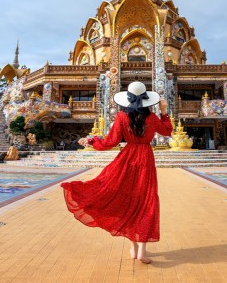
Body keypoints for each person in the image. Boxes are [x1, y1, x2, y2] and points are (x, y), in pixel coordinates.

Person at [61, 81, 173, 264]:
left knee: (127, 200)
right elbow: (167, 131)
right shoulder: (152, 117)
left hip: (127, 159)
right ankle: (142, 251)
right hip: (145, 158)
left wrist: (91, 142)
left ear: (128, 100)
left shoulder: (121, 117)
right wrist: (164, 111)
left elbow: (110, 142)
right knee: (146, 201)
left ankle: (134, 248)